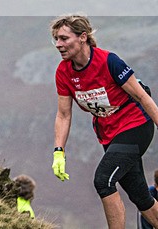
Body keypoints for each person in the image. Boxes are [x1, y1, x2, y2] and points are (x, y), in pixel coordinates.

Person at [52, 14, 158, 228]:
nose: (58, 45)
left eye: (64, 38)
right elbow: (64, 114)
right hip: (108, 132)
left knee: (104, 180)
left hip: (135, 124)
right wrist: (58, 152)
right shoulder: (63, 72)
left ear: (83, 37)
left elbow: (142, 97)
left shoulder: (109, 61)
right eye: (56, 39)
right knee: (139, 195)